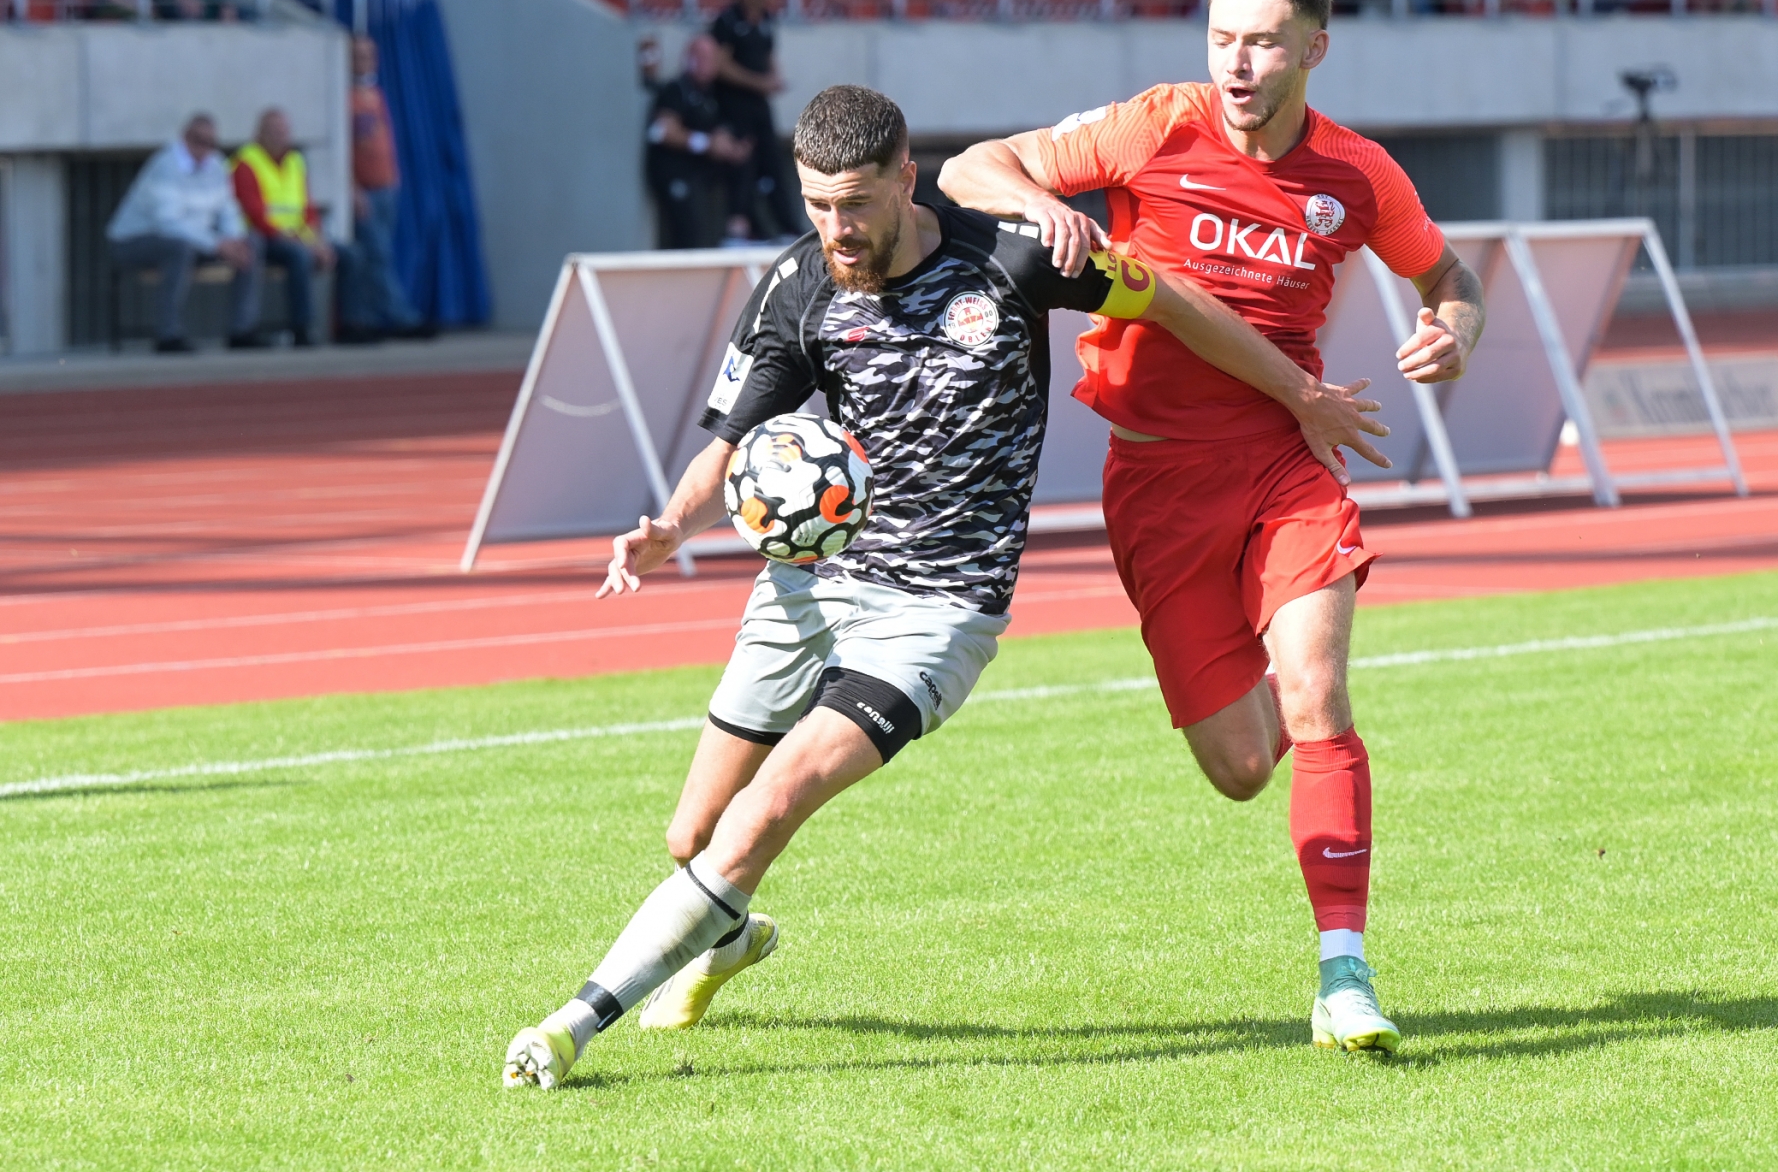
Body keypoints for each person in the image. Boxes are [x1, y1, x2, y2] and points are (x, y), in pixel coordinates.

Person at [502, 82, 1378, 1090]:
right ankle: (728, 934)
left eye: (856, 204)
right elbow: (732, 444)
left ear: (906, 180)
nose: (837, 227)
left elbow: (1172, 299)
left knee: (773, 801)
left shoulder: (1014, 257)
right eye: (817, 204)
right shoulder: (797, 285)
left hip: (937, 608)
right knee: (692, 835)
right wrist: (669, 525)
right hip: (811, 583)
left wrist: (1300, 393)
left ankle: (568, 1027)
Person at [938, 0, 1487, 1055]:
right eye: (1223, 38)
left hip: (1289, 452)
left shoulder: (1358, 173)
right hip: (1156, 480)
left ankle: (1344, 975)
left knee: (1320, 695)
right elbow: (967, 168)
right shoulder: (1154, 124)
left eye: (1264, 43)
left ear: (1313, 51)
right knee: (1241, 767)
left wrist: (1457, 329)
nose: (1238, 62)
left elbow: (1447, 273)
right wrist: (1044, 205)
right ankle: (1288, 703)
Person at [105, 113, 255, 354]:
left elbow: (227, 209)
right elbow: (168, 224)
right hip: (133, 241)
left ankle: (241, 330)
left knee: (252, 244)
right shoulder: (165, 165)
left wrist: (234, 240)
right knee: (178, 248)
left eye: (210, 142)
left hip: (198, 241)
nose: (204, 147)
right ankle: (168, 334)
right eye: (198, 140)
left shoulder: (217, 165)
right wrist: (217, 244)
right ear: (185, 137)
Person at [338, 36, 430, 342]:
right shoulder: (343, 97)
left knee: (376, 256)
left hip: (386, 187)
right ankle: (402, 317)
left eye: (369, 55)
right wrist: (352, 188)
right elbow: (341, 149)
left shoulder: (376, 95)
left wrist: (394, 178)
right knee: (376, 254)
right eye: (358, 55)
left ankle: (365, 318)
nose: (365, 61)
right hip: (363, 191)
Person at [708, 0, 804, 239]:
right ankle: (744, 229)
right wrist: (757, 82)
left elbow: (769, 55)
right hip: (733, 105)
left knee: (772, 163)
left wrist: (774, 79)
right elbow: (720, 65)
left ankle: (786, 226)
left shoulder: (766, 20)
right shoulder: (728, 20)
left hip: (760, 105)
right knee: (742, 165)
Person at [229, 108, 335, 348]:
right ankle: (302, 328)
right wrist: (298, 241)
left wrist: (317, 242)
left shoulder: (295, 161)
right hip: (262, 236)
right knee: (299, 256)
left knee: (350, 255)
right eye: (274, 131)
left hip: (296, 236)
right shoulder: (246, 162)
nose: (280, 136)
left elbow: (307, 209)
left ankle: (354, 325)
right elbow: (254, 213)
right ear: (259, 134)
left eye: (284, 131)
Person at [646, 35, 754, 249]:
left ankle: (738, 231)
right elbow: (662, 132)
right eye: (701, 57)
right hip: (676, 173)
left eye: (711, 58)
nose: (707, 64)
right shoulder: (676, 89)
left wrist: (730, 147)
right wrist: (706, 143)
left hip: (702, 173)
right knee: (690, 234)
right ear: (689, 58)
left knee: (745, 166)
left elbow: (719, 128)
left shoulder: (713, 94)